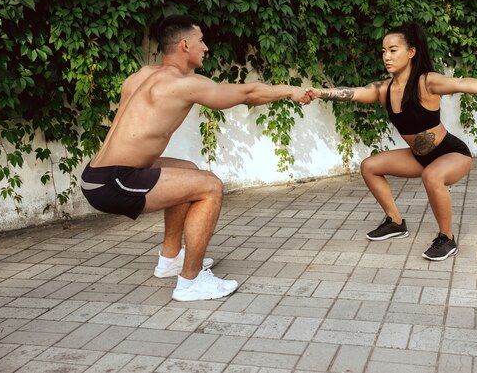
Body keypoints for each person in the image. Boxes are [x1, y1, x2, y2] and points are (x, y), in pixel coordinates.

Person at [80, 15, 311, 301]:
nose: (206, 48)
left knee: (189, 172)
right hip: (114, 182)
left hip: (98, 174)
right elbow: (248, 93)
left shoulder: (141, 75)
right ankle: (191, 282)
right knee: (210, 186)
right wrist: (290, 91)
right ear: (185, 45)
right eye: (201, 41)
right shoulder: (181, 83)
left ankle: (171, 259)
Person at [306, 23, 477, 261]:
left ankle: (447, 238)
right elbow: (352, 92)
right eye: (383, 51)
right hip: (419, 157)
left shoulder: (426, 82)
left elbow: (462, 83)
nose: (386, 56)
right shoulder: (384, 89)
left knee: (432, 176)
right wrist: (319, 93)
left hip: (452, 153)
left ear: (411, 52)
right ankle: (395, 222)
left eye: (393, 50)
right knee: (369, 166)